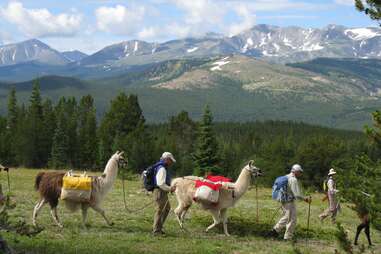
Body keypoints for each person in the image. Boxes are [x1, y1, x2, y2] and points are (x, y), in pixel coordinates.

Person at [269, 164, 311, 240]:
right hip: (289, 201)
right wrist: (305, 199)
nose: (300, 174)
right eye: (300, 172)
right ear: (296, 171)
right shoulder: (293, 179)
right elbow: (297, 194)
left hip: (284, 200)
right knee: (292, 219)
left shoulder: (286, 176)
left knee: (286, 217)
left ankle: (275, 231)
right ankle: (286, 236)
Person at [152, 152, 176, 235]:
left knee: (166, 208)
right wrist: (170, 188)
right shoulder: (162, 169)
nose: (171, 163)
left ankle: (159, 227)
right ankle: (156, 230)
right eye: (170, 160)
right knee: (160, 210)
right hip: (160, 192)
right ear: (166, 159)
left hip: (162, 191)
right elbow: (160, 183)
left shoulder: (161, 167)